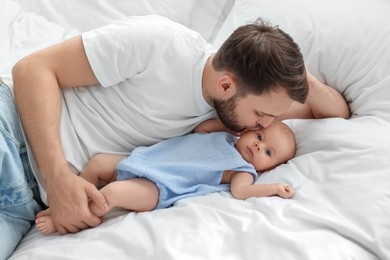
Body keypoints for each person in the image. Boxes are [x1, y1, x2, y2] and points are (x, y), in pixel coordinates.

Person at [1, 15, 350, 258]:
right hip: (12, 132)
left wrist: (296, 75)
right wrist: (58, 177)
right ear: (225, 84)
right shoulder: (160, 42)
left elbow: (336, 112)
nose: (259, 128)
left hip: (28, 204)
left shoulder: (242, 106)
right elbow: (33, 69)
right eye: (260, 116)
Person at [35, 121, 296, 235]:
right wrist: (232, 127)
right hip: (146, 162)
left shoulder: (242, 169)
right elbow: (201, 129)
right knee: (98, 163)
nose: (259, 147)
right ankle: (64, 201)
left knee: (111, 194)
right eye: (260, 137)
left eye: (268, 152)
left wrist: (272, 187)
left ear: (270, 167)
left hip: (160, 187)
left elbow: (241, 192)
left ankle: (65, 219)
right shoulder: (226, 137)